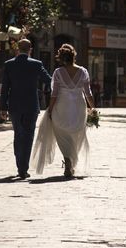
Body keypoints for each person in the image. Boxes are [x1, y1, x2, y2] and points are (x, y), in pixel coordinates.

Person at [31, 44, 95, 178]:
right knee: (77, 134)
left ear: (62, 58)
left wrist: (50, 109)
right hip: (78, 107)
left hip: (62, 106)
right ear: (74, 57)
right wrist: (92, 108)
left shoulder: (58, 72)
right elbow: (88, 93)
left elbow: (54, 94)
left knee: (62, 133)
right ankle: (71, 161)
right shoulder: (83, 71)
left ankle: (67, 161)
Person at [0, 39, 52, 179]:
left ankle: (19, 166)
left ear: (17, 49)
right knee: (28, 137)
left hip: (14, 106)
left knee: (18, 135)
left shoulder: (9, 65)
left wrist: (3, 107)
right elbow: (49, 81)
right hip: (31, 105)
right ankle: (23, 168)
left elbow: (5, 88)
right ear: (30, 49)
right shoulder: (37, 64)